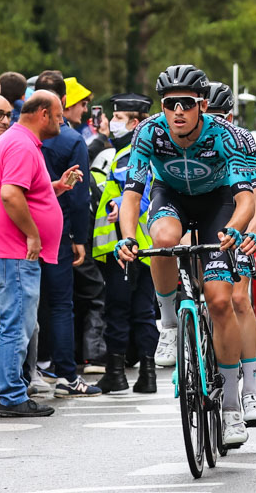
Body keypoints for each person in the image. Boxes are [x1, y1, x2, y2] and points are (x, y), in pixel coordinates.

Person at [114, 64, 256, 447]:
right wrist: (127, 237)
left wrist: (236, 227)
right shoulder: (148, 132)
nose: (177, 111)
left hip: (218, 203)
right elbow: (132, 193)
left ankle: (232, 407)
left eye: (186, 103)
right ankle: (168, 323)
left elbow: (246, 197)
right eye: (169, 103)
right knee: (162, 237)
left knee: (219, 300)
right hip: (173, 199)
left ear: (201, 105)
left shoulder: (227, 135)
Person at [0, 91, 84, 417]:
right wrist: (33, 234)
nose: (63, 122)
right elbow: (10, 195)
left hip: (4, 251)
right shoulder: (22, 144)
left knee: (17, 324)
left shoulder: (16, 141)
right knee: (16, 325)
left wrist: (56, 187)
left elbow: (24, 190)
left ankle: (11, 392)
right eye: (60, 115)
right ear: (43, 114)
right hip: (13, 252)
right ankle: (11, 397)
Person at [204, 82, 256, 427]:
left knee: (239, 299)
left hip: (235, 211)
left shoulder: (240, 140)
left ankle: (250, 388)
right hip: (200, 213)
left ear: (229, 117)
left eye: (217, 118)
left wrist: (253, 232)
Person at [31, 71, 99, 398]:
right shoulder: (71, 140)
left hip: (19, 228)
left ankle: (24, 373)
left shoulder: (18, 136)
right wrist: (79, 238)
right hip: (57, 230)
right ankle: (65, 376)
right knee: (60, 304)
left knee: (23, 304)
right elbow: (78, 193)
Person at [91, 93, 158, 397]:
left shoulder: (129, 154)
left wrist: (118, 205)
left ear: (136, 123)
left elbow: (137, 194)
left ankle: (115, 374)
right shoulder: (156, 152)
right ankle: (147, 374)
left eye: (118, 118)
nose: (112, 122)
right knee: (144, 312)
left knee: (118, 312)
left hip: (125, 248)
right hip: (148, 250)